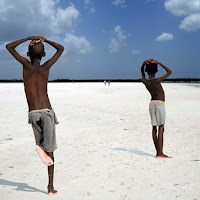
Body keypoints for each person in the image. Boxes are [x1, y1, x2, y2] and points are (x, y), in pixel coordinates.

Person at [6, 36, 64, 194]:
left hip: (33, 113)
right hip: (46, 111)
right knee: (50, 150)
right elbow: (61, 49)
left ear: (27, 54)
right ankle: (50, 187)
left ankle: (39, 146)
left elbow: (9, 46)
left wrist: (29, 38)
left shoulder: (25, 65)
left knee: (41, 142)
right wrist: (46, 40)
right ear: (44, 55)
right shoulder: (46, 67)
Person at [141, 59, 172, 158]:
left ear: (146, 71)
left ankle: (157, 152)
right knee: (161, 127)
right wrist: (159, 63)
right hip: (159, 104)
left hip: (152, 104)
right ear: (156, 71)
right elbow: (169, 72)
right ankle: (160, 153)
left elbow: (142, 73)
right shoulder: (157, 80)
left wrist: (142, 65)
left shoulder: (145, 81)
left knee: (154, 128)